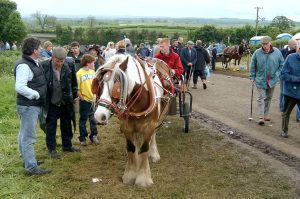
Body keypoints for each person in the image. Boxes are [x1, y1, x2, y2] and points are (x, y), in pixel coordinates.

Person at [14, 37, 51, 176]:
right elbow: (20, 87)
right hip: (29, 106)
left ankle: (27, 160)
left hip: (31, 105)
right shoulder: (24, 65)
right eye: (39, 48)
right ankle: (31, 167)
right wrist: (35, 94)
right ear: (34, 50)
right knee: (28, 137)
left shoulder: (33, 62)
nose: (41, 49)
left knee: (23, 134)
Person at [40, 47, 80, 159]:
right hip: (51, 101)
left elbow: (73, 81)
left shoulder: (70, 63)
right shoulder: (43, 65)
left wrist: (75, 95)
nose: (60, 63)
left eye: (62, 61)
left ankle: (67, 145)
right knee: (51, 126)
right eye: (57, 61)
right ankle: (52, 149)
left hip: (66, 100)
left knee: (67, 124)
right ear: (52, 58)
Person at [249, 36, 284, 125]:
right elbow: (253, 65)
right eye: (263, 44)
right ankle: (261, 117)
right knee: (261, 97)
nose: (264, 46)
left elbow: (282, 64)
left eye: (266, 44)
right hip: (260, 79)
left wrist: (277, 75)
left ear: (270, 43)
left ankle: (265, 114)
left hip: (272, 80)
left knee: (268, 97)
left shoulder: (277, 52)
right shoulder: (257, 53)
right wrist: (252, 77)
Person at [76, 54, 99, 146]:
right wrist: (82, 99)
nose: (94, 64)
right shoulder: (79, 73)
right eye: (93, 62)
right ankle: (82, 138)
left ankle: (93, 136)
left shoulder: (93, 72)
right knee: (83, 120)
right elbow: (77, 89)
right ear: (87, 63)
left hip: (93, 100)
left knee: (93, 119)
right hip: (84, 101)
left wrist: (95, 97)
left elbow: (96, 86)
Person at [280, 41, 300, 138]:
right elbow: (283, 75)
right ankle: (284, 131)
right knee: (286, 113)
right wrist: (296, 79)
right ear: (297, 48)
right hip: (290, 92)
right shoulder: (290, 58)